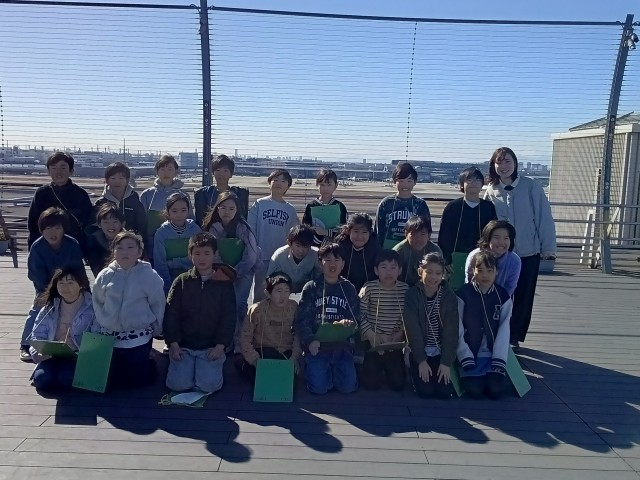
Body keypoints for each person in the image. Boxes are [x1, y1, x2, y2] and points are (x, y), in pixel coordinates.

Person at [484, 147, 556, 349]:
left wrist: (548, 247)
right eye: (499, 162)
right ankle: (496, 332)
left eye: (507, 161)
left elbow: (543, 217)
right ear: (493, 166)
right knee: (500, 293)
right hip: (501, 253)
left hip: (528, 251)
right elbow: (488, 225)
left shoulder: (531, 186)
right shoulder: (491, 190)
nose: (503, 166)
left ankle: (514, 336)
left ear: (515, 163)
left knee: (524, 295)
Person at [163, 233, 236, 393]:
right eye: (197, 253)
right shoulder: (181, 281)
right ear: (190, 255)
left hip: (210, 347)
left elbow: (229, 317)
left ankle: (211, 365)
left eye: (206, 253)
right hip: (184, 346)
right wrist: (174, 344)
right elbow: (171, 314)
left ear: (215, 254)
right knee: (178, 385)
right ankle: (186, 366)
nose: (202, 258)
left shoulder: (224, 284)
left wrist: (220, 345)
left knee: (208, 386)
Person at [92, 231, 165, 388]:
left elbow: (158, 304)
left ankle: (149, 361)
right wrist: (102, 321)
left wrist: (157, 329)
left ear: (139, 251)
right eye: (120, 247)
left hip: (139, 335)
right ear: (113, 251)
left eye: (130, 247)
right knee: (112, 381)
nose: (125, 251)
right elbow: (97, 301)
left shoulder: (149, 275)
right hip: (109, 337)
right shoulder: (105, 275)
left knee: (139, 380)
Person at [20, 208, 84, 362]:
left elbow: (78, 270)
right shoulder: (37, 247)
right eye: (48, 228)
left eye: (57, 227)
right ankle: (25, 345)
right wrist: (49, 293)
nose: (52, 232)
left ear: (64, 229)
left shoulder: (72, 244)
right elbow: (36, 275)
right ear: (41, 230)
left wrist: (81, 290)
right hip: (45, 287)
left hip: (70, 286)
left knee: (85, 305)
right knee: (37, 308)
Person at [295, 243, 360, 395]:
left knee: (348, 387)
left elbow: (356, 317)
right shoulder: (311, 287)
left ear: (343, 264)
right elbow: (302, 319)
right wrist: (310, 340)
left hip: (341, 347)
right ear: (320, 263)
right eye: (328, 260)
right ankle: (314, 369)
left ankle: (334, 372)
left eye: (337, 260)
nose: (332, 264)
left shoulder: (348, 288)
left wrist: (348, 324)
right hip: (317, 347)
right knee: (319, 388)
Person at [204, 191, 260, 345]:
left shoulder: (244, 228)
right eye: (223, 207)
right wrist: (224, 271)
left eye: (231, 208)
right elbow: (212, 253)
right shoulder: (212, 228)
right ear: (217, 208)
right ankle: (224, 339)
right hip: (221, 271)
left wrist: (236, 272)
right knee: (223, 305)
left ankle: (240, 340)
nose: (226, 212)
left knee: (239, 304)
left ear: (237, 210)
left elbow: (251, 255)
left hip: (244, 271)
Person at [456, 251, 512, 399]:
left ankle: (494, 373)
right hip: (470, 353)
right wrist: (464, 355)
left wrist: (499, 358)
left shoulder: (502, 296)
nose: (485, 275)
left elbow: (504, 328)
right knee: (475, 392)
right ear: (473, 271)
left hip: (492, 354)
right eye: (480, 270)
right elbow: (457, 326)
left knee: (495, 391)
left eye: (489, 270)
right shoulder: (463, 293)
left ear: (496, 272)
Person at [29, 267, 94, 392]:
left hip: (77, 355)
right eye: (61, 283)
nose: (65, 287)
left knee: (66, 379)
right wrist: (38, 352)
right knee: (41, 380)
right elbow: (36, 335)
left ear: (81, 284)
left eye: (70, 283)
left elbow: (97, 336)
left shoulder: (92, 307)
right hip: (52, 354)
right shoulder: (50, 307)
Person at [404, 252, 459, 399]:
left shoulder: (449, 296)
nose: (433, 277)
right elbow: (412, 330)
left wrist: (446, 362)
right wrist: (421, 360)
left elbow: (451, 331)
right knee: (425, 392)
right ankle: (412, 368)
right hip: (419, 351)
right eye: (428, 272)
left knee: (444, 392)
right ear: (420, 271)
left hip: (439, 351)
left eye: (438, 273)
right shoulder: (412, 295)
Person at [358, 249, 409, 391]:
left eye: (393, 267)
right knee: (371, 384)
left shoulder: (405, 290)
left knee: (398, 384)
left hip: (394, 341)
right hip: (373, 341)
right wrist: (372, 335)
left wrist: (401, 332)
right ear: (376, 270)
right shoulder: (369, 288)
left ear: (400, 270)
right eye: (384, 267)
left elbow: (408, 315)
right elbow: (360, 314)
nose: (388, 272)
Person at [237, 273, 301, 383]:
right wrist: (254, 359)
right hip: (261, 351)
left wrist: (294, 357)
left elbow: (298, 334)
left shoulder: (293, 307)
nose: (283, 296)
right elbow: (245, 337)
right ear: (268, 293)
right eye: (279, 291)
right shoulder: (257, 310)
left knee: (288, 380)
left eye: (286, 291)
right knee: (259, 378)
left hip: (284, 351)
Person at [248, 169, 300, 302]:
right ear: (269, 183)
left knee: (279, 292)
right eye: (275, 180)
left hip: (281, 258)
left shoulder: (290, 209)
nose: (278, 183)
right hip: (262, 257)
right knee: (260, 292)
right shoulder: (260, 203)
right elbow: (250, 229)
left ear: (288, 186)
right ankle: (257, 314)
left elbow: (294, 234)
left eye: (283, 181)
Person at [27, 152, 93, 253]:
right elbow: (33, 224)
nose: (58, 172)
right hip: (45, 248)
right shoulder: (42, 193)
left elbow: (88, 223)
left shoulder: (80, 194)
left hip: (73, 249)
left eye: (63, 168)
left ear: (71, 171)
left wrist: (85, 250)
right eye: (54, 168)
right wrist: (34, 248)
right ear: (49, 171)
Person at [438, 167, 496, 266]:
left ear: (482, 184)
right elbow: (444, 235)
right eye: (469, 180)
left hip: (482, 257)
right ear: (461, 184)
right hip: (455, 257)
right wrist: (446, 258)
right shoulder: (453, 207)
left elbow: (492, 233)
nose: (474, 183)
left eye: (477, 180)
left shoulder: (488, 207)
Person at [140, 154, 192, 261]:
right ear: (157, 171)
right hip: (151, 246)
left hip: (178, 244)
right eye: (162, 169)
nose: (166, 173)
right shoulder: (147, 194)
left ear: (176, 171)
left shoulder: (183, 195)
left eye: (170, 169)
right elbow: (140, 223)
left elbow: (190, 220)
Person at [154, 193, 202, 295]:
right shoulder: (161, 233)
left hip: (193, 277)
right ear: (168, 212)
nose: (179, 214)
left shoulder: (195, 230)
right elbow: (160, 262)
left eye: (183, 210)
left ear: (189, 210)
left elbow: (199, 256)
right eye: (174, 211)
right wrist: (167, 286)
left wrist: (173, 263)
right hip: (169, 277)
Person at [376, 162, 430, 249]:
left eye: (409, 181)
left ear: (415, 182)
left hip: (412, 247)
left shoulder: (420, 204)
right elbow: (378, 230)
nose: (405, 185)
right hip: (389, 248)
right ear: (394, 181)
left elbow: (426, 231)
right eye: (401, 181)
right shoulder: (386, 203)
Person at [465, 220, 521, 297]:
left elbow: (510, 288)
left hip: (502, 299)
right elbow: (469, 283)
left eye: (506, 238)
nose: (501, 242)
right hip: (475, 298)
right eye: (496, 237)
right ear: (488, 238)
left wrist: (498, 301)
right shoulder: (474, 256)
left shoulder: (514, 260)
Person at [93, 162, 147, 241]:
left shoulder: (135, 201)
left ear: (127, 180)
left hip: (130, 244)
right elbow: (94, 227)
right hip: (104, 245)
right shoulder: (100, 203)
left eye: (121, 178)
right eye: (113, 178)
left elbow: (142, 226)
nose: (117, 182)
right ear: (107, 181)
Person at [194, 154, 249, 225]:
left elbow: (243, 218)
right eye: (218, 170)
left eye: (225, 170)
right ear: (213, 173)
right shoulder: (203, 194)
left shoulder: (240, 194)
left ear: (231, 174)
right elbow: (199, 219)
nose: (221, 174)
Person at [267, 224, 319, 294]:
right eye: (297, 245)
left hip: (307, 291)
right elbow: (269, 281)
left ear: (310, 246)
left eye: (305, 247)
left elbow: (321, 279)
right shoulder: (279, 256)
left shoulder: (316, 255)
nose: (301, 251)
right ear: (289, 243)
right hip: (282, 291)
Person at [302, 169, 348, 246]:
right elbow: (305, 230)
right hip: (314, 248)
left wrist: (326, 232)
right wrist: (322, 242)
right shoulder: (311, 206)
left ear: (336, 186)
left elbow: (344, 231)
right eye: (322, 185)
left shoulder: (340, 207)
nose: (325, 188)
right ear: (317, 185)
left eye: (329, 185)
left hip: (335, 248)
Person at [335, 213, 379, 291]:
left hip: (369, 292)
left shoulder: (375, 249)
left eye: (364, 232)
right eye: (356, 231)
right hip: (343, 290)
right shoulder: (340, 247)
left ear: (370, 232)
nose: (359, 236)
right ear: (348, 231)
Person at [393, 215, 441, 287]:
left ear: (429, 235)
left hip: (427, 288)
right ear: (406, 234)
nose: (418, 239)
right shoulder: (398, 251)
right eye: (414, 234)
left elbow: (439, 274)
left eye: (423, 234)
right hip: (402, 289)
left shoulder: (435, 251)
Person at [86, 203, 126, 277]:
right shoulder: (93, 241)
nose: (111, 225)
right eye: (106, 222)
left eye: (115, 222)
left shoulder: (130, 241)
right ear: (99, 224)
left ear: (123, 224)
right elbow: (96, 268)